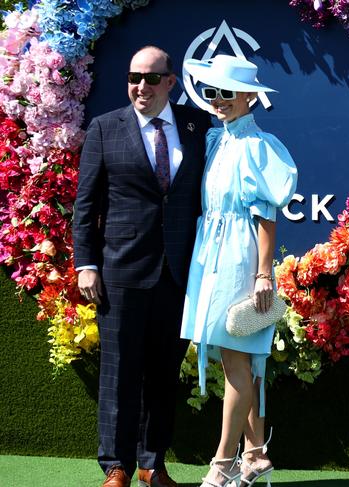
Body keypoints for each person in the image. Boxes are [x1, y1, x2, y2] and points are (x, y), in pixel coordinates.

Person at [73, 46, 212, 487]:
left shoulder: (196, 127)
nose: (141, 87)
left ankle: (153, 463)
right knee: (118, 373)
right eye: (134, 77)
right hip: (120, 271)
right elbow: (85, 205)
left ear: (171, 82)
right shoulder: (104, 128)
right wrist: (86, 263)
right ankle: (116, 467)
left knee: (163, 374)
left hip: (177, 274)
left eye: (152, 79)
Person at [180, 55, 298, 487]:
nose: (218, 101)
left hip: (239, 258)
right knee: (235, 359)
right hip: (209, 253)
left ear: (250, 96)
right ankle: (255, 454)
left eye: (227, 92)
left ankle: (223, 462)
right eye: (212, 92)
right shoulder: (215, 141)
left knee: (235, 359)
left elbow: (267, 216)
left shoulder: (259, 146)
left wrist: (264, 274)